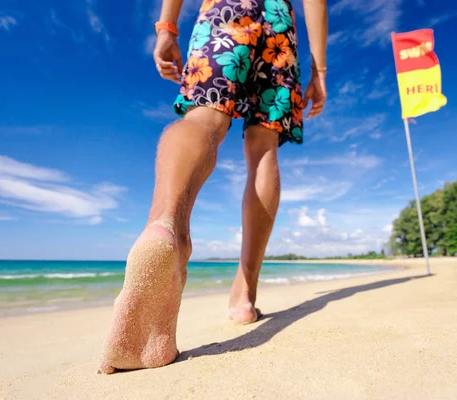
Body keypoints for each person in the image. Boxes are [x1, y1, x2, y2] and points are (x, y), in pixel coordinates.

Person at [99, 0, 327, 373]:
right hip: (278, 24)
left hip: (226, 9)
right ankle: (244, 296)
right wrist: (318, 70)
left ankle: (166, 226)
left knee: (204, 118)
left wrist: (166, 29)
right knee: (264, 149)